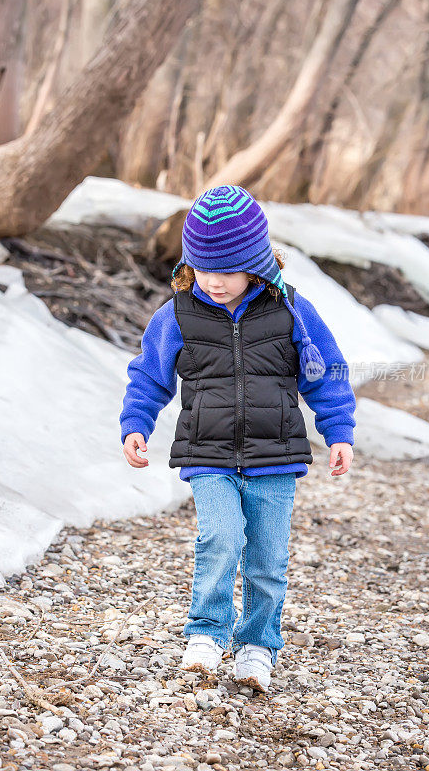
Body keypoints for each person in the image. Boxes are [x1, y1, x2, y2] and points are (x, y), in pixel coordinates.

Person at [120, 185, 355, 692]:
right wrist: (136, 424)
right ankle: (205, 631)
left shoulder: (291, 310)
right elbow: (149, 376)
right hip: (208, 453)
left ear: (255, 263)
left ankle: (257, 644)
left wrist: (338, 432)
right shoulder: (178, 314)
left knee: (267, 561)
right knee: (220, 538)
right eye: (202, 269)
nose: (213, 281)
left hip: (277, 454)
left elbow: (326, 372)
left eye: (226, 270)